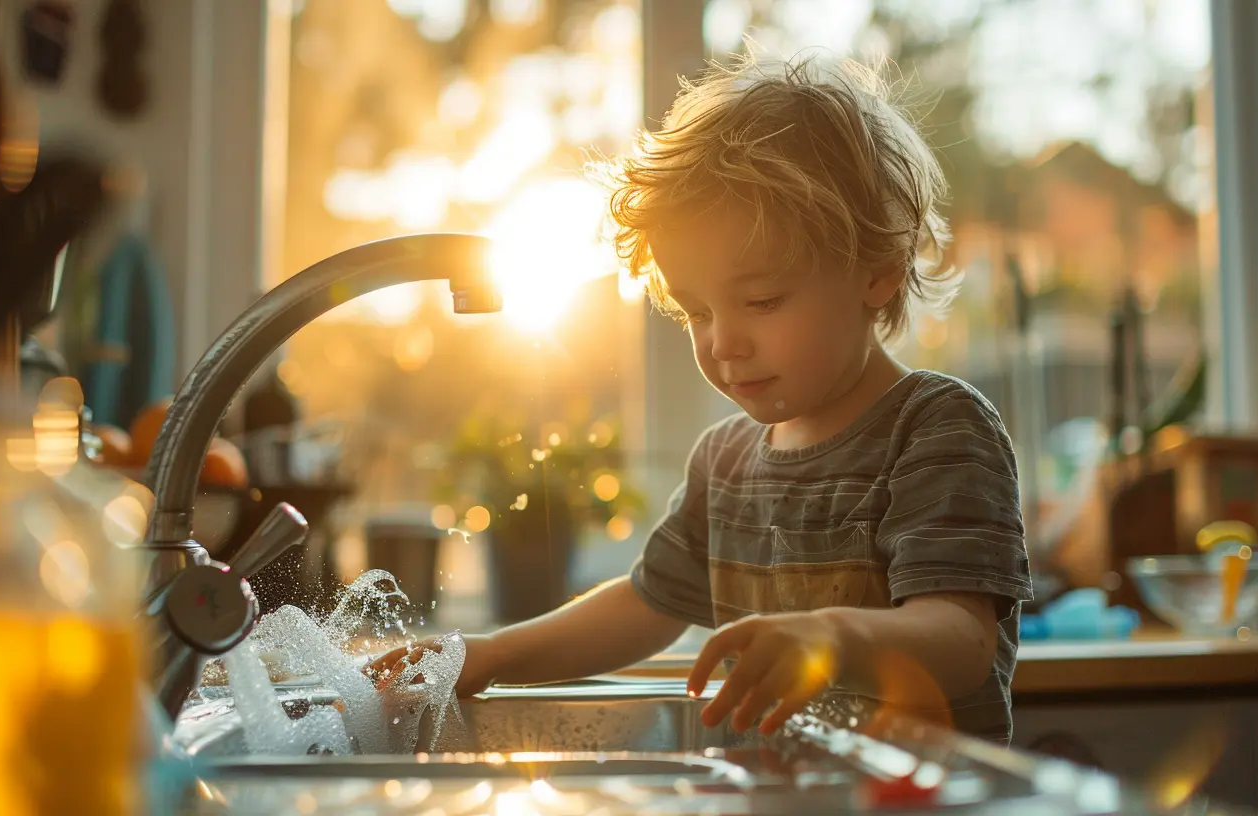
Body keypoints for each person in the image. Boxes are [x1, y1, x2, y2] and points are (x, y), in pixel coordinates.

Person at [369, 51, 1032, 744]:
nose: (724, 344)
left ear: (879, 274)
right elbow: (645, 604)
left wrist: (832, 637)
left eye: (763, 300)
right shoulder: (727, 460)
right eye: (695, 312)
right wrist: (491, 654)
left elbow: (960, 640)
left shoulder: (934, 428)